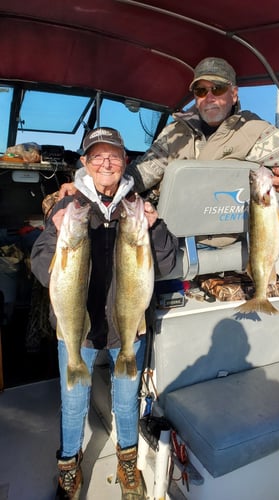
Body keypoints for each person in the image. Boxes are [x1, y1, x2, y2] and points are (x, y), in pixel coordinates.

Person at [30, 127, 178, 500]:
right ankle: (69, 465)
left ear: (125, 162)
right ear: (85, 163)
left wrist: (156, 227)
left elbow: (169, 261)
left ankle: (127, 465)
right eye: (97, 156)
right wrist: (57, 236)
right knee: (74, 402)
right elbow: (40, 265)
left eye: (113, 155)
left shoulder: (139, 208)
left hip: (126, 329)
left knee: (128, 403)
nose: (106, 162)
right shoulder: (70, 208)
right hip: (77, 329)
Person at [126, 57, 279, 207]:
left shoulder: (258, 133)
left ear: (234, 94)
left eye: (217, 89)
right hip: (171, 237)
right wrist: (109, 181)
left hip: (227, 240)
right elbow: (141, 175)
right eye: (201, 91)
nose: (209, 97)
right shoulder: (174, 133)